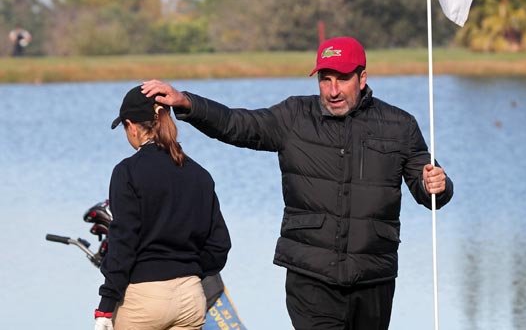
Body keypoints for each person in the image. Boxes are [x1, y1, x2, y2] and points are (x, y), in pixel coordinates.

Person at [142, 36, 454, 330]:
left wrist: (437, 185)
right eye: (325, 79)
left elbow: (427, 186)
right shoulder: (293, 116)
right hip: (311, 277)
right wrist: (187, 103)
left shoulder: (400, 125)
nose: (332, 90)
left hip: (374, 279)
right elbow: (237, 124)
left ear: (362, 78)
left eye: (342, 79)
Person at [95, 85, 231, 330]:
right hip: (190, 299)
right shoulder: (199, 174)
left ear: (132, 126)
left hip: (144, 300)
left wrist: (105, 307)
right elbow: (220, 245)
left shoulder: (127, 172)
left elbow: (122, 243)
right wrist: (189, 272)